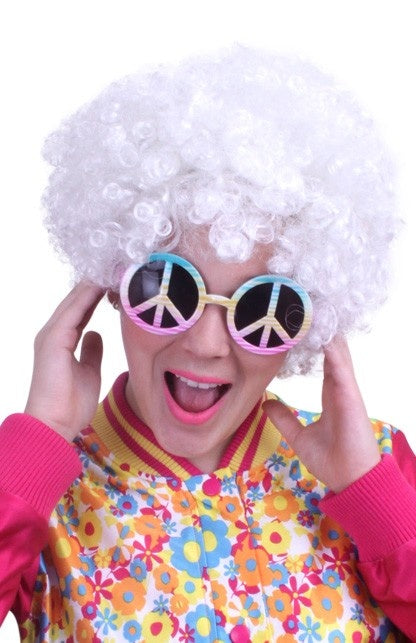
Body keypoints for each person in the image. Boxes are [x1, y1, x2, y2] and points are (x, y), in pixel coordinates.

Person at [0, 45, 415, 642]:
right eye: (167, 288)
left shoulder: (375, 470)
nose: (206, 343)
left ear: (312, 318)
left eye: (262, 306)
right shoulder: (38, 494)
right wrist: (37, 443)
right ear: (112, 282)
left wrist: (373, 500)